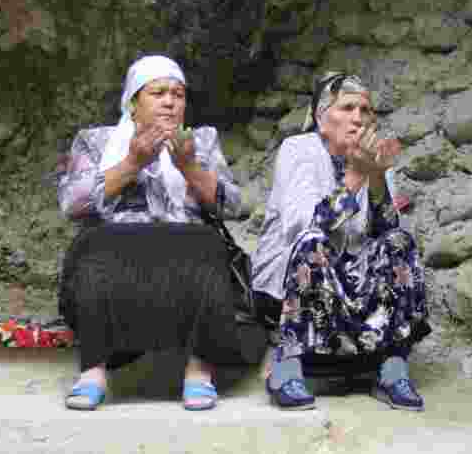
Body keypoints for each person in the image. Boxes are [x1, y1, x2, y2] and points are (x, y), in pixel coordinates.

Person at [57, 55, 249, 412]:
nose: (170, 101)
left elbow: (233, 205)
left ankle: (198, 372)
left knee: (207, 243)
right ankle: (93, 373)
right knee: (92, 245)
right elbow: (73, 204)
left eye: (178, 94)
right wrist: (132, 163)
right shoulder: (96, 141)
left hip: (186, 244)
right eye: (157, 92)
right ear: (133, 102)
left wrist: (189, 166)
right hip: (115, 245)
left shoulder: (201, 140)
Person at [251, 71, 431, 411]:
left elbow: (386, 230)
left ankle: (392, 369)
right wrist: (355, 177)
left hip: (351, 276)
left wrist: (376, 176)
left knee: (399, 242)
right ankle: (286, 366)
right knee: (312, 244)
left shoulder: (370, 158)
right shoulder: (298, 149)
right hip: (292, 276)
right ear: (322, 119)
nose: (358, 118)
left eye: (365, 110)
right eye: (347, 108)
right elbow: (303, 225)